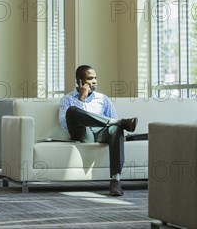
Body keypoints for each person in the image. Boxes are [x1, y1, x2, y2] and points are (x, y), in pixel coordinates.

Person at [59, 64, 138, 196]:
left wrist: (114, 124)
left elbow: (114, 126)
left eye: (95, 78)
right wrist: (81, 99)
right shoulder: (67, 99)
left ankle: (115, 180)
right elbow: (64, 124)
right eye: (90, 78)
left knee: (117, 129)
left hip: (101, 132)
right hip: (82, 133)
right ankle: (121, 122)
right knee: (72, 111)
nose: (94, 81)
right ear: (79, 81)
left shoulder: (103, 99)